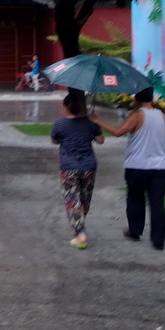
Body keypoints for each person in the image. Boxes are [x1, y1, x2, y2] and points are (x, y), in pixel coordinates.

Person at [90, 86, 165, 250]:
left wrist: (96, 120)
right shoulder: (163, 116)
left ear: (137, 99)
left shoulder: (137, 114)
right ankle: (158, 239)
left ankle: (135, 230)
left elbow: (119, 131)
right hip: (160, 166)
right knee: (157, 203)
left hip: (138, 165)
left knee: (135, 198)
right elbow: (164, 135)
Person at [51, 91, 105, 249]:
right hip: (89, 166)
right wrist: (95, 122)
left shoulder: (59, 124)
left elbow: (54, 140)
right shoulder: (89, 123)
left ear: (66, 107)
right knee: (84, 200)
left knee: (72, 200)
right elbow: (101, 140)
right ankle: (79, 226)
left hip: (68, 168)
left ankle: (81, 233)